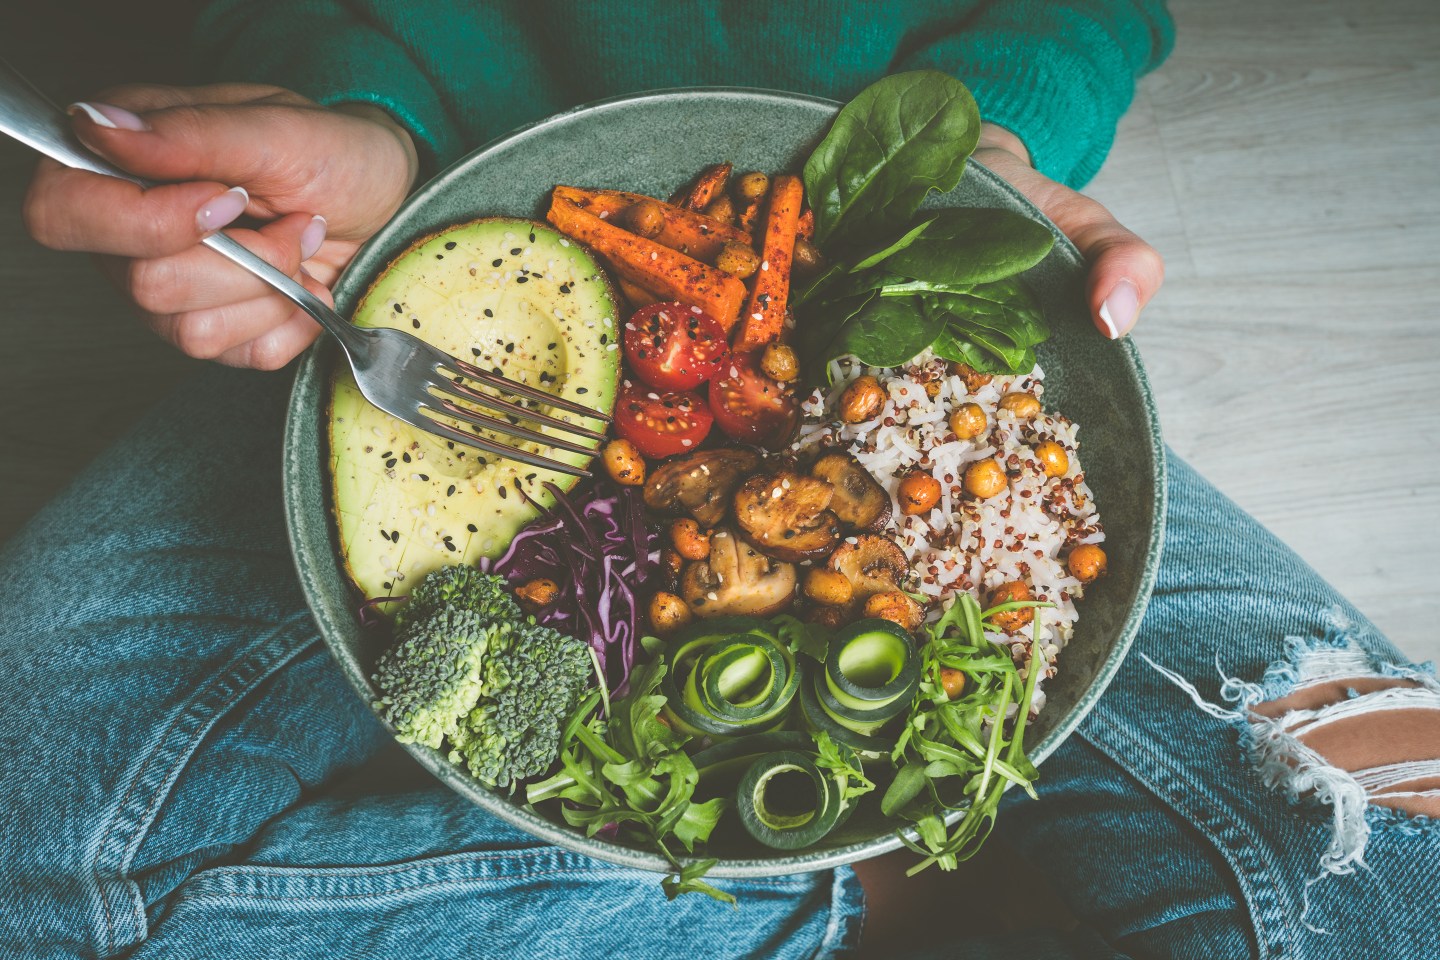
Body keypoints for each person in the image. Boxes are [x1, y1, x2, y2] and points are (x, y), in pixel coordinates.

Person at [5, 2, 1438, 958]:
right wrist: (355, 119)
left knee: (1390, 880)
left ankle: (753, 889)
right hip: (439, 253)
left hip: (881, 291)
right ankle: (799, 890)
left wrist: (986, 141)